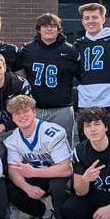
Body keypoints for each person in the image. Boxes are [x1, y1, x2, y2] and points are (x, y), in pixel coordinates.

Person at [2, 95, 75, 219]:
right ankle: (47, 216)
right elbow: (14, 170)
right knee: (9, 186)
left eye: (25, 111)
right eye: (17, 113)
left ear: (34, 112)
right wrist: (27, 187)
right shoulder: (13, 139)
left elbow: (66, 168)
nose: (22, 116)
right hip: (40, 173)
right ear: (12, 118)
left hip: (62, 176)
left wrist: (34, 172)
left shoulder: (51, 132)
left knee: (58, 186)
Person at [17, 13, 78, 145]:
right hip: (35, 109)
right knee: (33, 145)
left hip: (62, 108)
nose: (49, 29)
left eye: (53, 26)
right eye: (45, 26)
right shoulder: (28, 49)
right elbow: (20, 75)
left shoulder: (70, 50)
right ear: (39, 29)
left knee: (64, 146)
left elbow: (80, 75)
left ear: (59, 29)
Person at [73, 3, 110, 138]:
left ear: (103, 19)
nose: (91, 21)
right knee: (87, 138)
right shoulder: (78, 44)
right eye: (87, 18)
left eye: (94, 17)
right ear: (82, 21)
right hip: (86, 98)